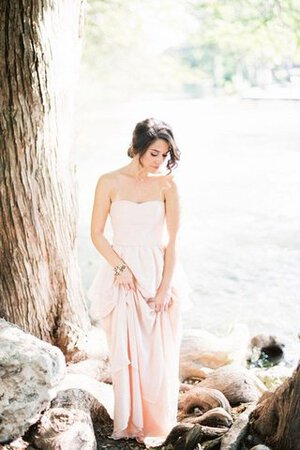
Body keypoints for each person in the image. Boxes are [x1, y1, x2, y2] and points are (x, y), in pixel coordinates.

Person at [87, 117, 183, 446]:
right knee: (123, 352)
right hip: (121, 276)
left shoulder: (168, 185)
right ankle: (128, 422)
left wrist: (165, 288)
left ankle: (156, 424)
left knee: (157, 355)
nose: (160, 160)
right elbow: (97, 234)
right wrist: (119, 268)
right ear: (138, 148)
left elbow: (172, 242)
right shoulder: (109, 181)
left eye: (165, 154)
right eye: (154, 153)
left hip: (157, 272)